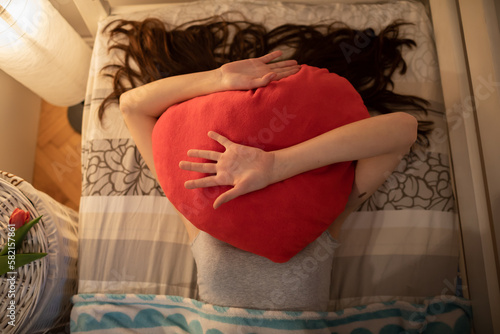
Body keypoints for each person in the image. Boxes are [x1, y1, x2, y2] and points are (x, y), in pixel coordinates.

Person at [100, 16, 427, 311]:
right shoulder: (196, 199)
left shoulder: (323, 208)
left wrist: (276, 165)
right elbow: (131, 107)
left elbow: (403, 129)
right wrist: (217, 79)